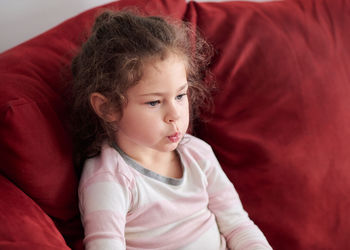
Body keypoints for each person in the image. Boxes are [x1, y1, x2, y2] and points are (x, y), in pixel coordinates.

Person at [71, 9, 272, 250]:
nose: (175, 115)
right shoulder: (110, 178)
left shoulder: (197, 153)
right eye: (154, 102)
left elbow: (238, 225)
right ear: (107, 107)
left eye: (180, 95)